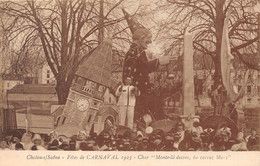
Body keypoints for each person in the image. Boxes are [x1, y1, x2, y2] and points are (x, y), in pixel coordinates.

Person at [122, 9, 174, 121]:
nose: (150, 42)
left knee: (157, 98)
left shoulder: (139, 51)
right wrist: (158, 61)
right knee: (153, 103)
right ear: (141, 38)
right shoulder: (134, 52)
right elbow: (142, 66)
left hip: (142, 88)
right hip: (136, 90)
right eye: (148, 39)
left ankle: (160, 119)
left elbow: (143, 68)